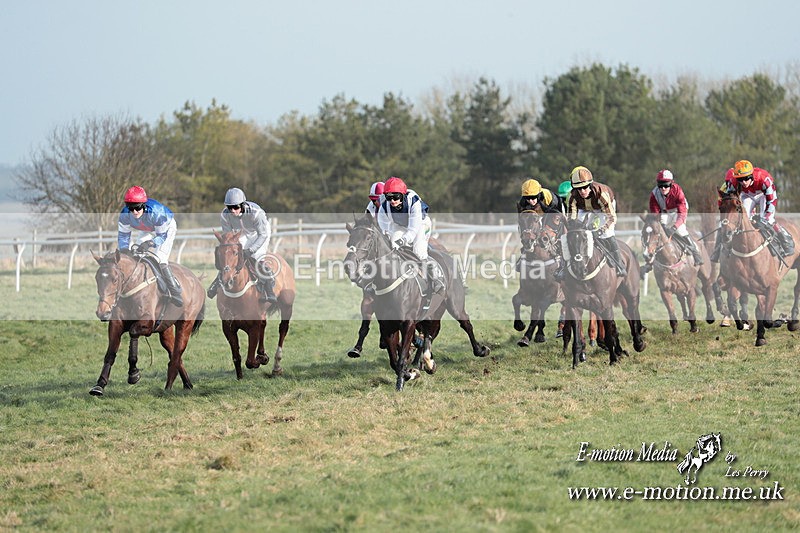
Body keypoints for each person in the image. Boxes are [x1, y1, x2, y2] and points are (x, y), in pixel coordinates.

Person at [377, 177, 444, 302]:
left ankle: (435, 279)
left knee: (419, 250)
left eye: (396, 197)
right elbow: (384, 224)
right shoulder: (384, 205)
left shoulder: (413, 201)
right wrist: (388, 236)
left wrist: (404, 240)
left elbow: (413, 229)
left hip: (420, 224)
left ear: (402, 195)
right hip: (401, 225)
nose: (392, 201)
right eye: (388, 197)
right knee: (393, 245)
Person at [711, 159, 794, 261]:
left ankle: (784, 238)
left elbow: (771, 199)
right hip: (747, 195)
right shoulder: (733, 182)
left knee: (768, 220)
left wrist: (767, 215)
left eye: (746, 178)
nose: (744, 182)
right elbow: (729, 201)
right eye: (740, 179)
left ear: (751, 175)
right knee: (745, 220)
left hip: (763, 195)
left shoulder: (764, 179)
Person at [206, 187, 277, 304]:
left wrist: (250, 250)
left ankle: (270, 291)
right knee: (231, 257)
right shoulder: (225, 215)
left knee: (257, 256)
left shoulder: (256, 214)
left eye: (236, 207)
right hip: (240, 233)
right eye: (230, 207)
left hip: (259, 233)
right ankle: (217, 282)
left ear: (243, 204)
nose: (233, 211)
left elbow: (262, 235)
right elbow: (228, 238)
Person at [117, 186, 183, 307]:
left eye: (137, 208)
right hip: (146, 228)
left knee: (159, 258)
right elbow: (123, 237)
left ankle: (175, 291)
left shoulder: (157, 213)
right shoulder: (125, 215)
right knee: (136, 254)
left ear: (143, 205)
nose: (134, 212)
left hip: (165, 229)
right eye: (130, 208)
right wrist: (125, 251)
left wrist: (150, 243)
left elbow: (162, 236)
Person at [564, 165, 626, 276]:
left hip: (602, 208)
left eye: (585, 187)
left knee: (607, 233)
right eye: (579, 189)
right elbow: (571, 218)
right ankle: (563, 268)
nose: (582, 191)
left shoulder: (601, 194)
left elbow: (612, 218)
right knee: (576, 232)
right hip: (584, 208)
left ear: (590, 184)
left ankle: (619, 265)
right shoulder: (572, 197)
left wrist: (601, 230)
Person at [644, 169, 704, 271]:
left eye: (666, 185)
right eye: (660, 184)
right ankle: (650, 260)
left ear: (671, 183)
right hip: (664, 212)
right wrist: (660, 226)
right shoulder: (654, 194)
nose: (663, 188)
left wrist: (674, 227)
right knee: (658, 230)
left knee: (680, 230)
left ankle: (695, 252)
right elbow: (655, 213)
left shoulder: (678, 191)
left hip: (678, 211)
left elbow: (682, 214)